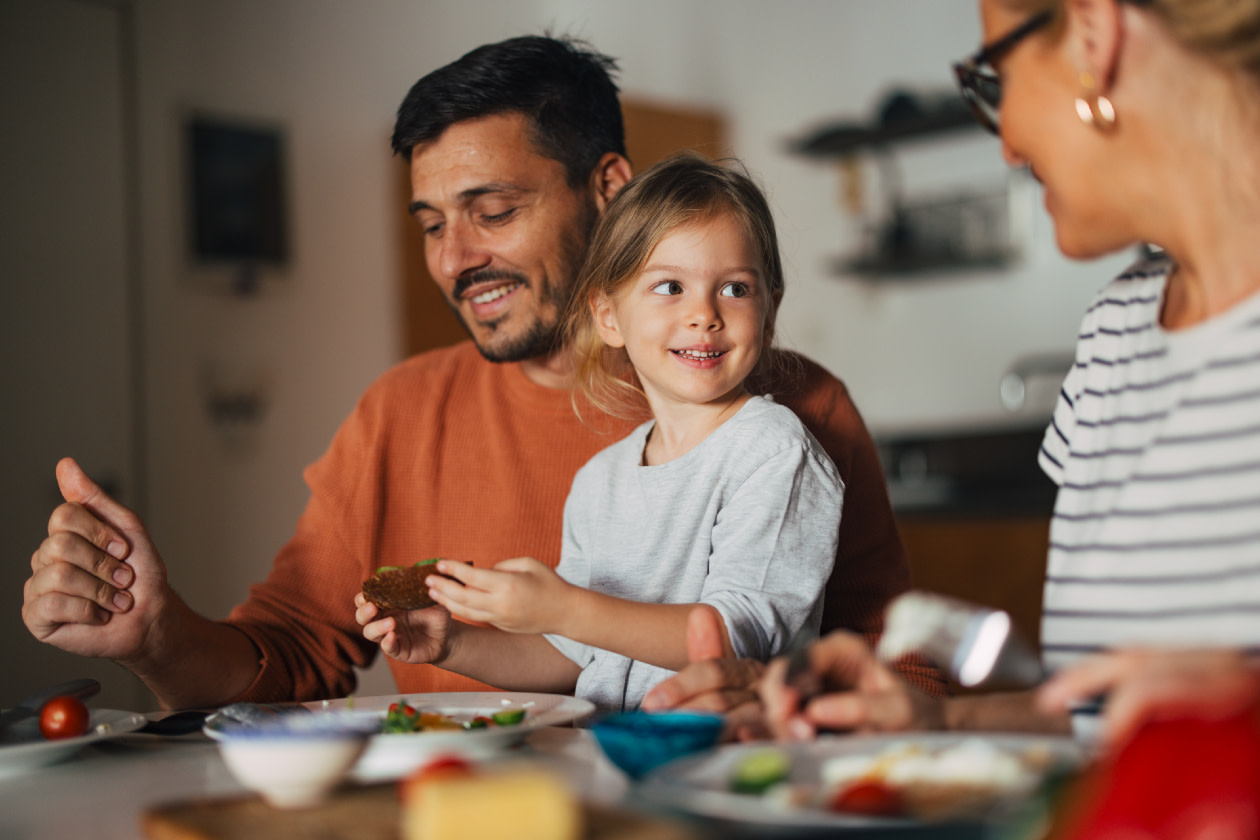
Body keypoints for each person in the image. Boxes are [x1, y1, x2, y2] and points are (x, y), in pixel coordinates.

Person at [21, 35, 944, 710]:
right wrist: (157, 634)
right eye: (431, 225)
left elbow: (901, 662)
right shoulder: (401, 416)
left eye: (492, 211)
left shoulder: (795, 407)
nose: (457, 258)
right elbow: (289, 656)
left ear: (610, 187)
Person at [740, 0, 1260, 747]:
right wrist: (940, 718)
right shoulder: (1116, 332)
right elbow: (1098, 719)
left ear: (1093, 33)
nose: (1008, 145)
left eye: (997, 79)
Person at [355, 153, 843, 712]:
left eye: (735, 289)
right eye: (668, 287)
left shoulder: (772, 448)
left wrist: (565, 608)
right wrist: (454, 643)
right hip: (611, 760)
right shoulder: (599, 479)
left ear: (769, 309)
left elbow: (740, 637)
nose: (704, 314)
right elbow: (573, 655)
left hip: (730, 762)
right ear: (608, 317)